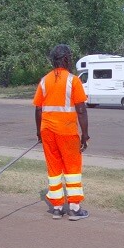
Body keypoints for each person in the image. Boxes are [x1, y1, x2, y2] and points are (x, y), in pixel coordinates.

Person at [33, 44, 90, 220]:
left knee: (54, 168)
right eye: (70, 57)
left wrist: (39, 133)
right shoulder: (74, 80)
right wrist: (85, 135)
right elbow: (81, 110)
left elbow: (38, 110)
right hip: (67, 132)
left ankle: (57, 208)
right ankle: (74, 208)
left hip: (48, 132)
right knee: (72, 169)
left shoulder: (44, 81)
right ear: (66, 59)